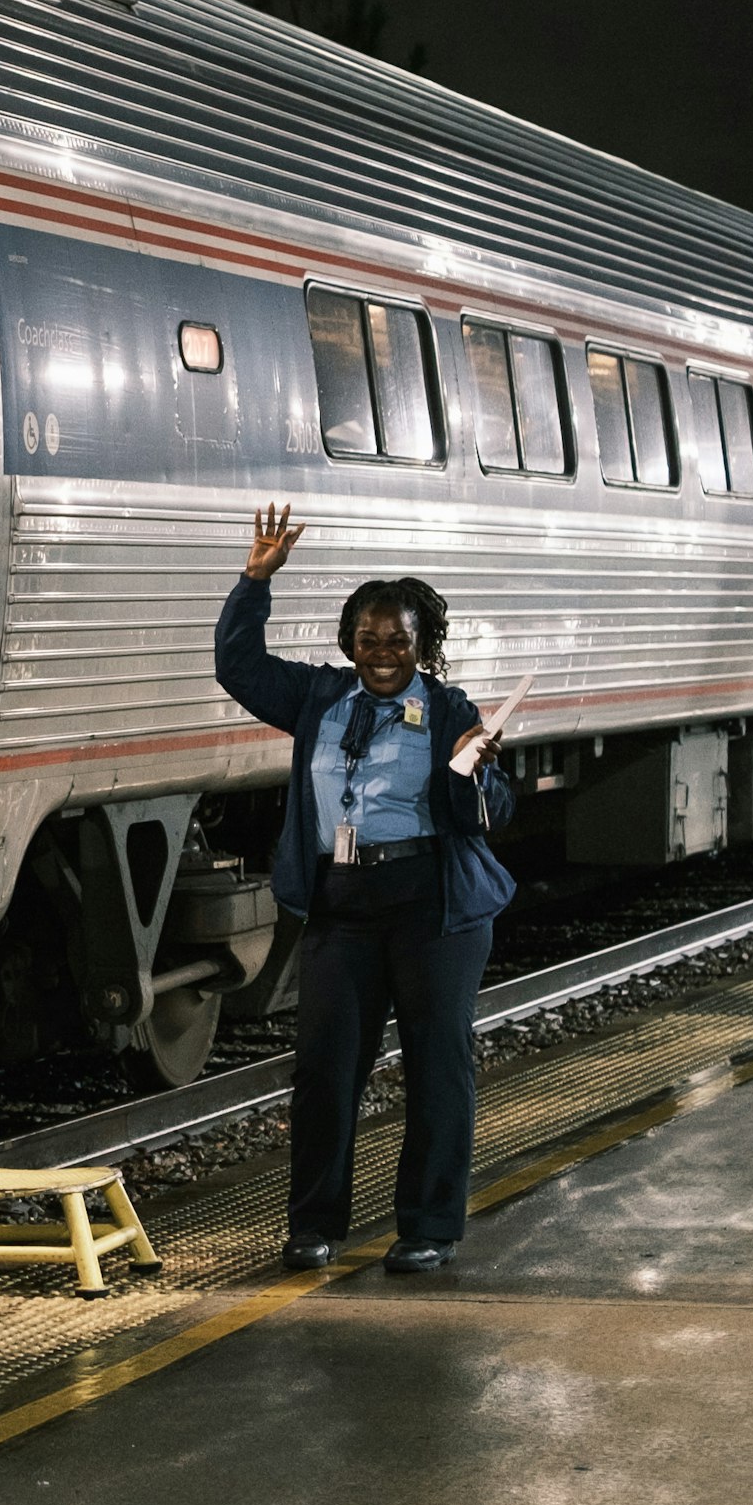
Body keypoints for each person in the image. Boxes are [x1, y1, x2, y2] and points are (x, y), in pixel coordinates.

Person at [215, 502, 516, 1277]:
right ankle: (316, 1226)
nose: (382, 652)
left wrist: (475, 768)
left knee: (436, 1067)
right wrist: (256, 581)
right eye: (369, 639)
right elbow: (238, 668)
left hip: (432, 909)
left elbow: (491, 814)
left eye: (398, 641)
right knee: (325, 1069)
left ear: (424, 647)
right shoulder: (319, 699)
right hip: (341, 906)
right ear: (350, 642)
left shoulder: (449, 710)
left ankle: (429, 1228)